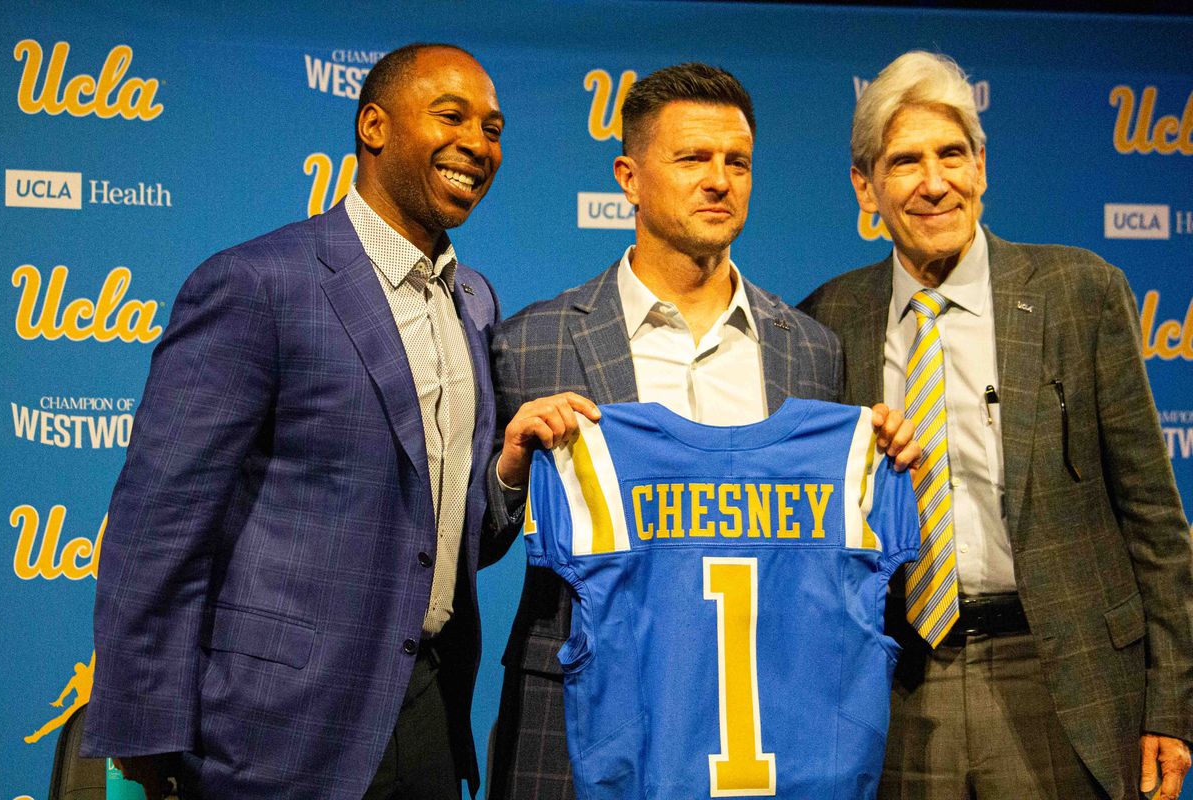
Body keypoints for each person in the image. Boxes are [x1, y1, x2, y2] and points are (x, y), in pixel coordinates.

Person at [484, 62, 919, 800]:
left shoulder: (810, 348)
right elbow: (478, 540)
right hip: (581, 730)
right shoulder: (532, 342)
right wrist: (511, 472)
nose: (719, 179)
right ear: (629, 175)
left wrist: (889, 458)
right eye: (692, 158)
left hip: (769, 737)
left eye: (737, 162)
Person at [82, 43, 505, 800]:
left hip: (430, 716)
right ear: (374, 127)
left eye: (493, 127)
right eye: (452, 115)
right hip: (268, 733)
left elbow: (443, 528)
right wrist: (145, 729)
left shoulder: (472, 300)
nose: (477, 143)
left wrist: (504, 477)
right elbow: (159, 522)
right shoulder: (255, 284)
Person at [800, 50, 1193, 800]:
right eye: (906, 161)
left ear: (982, 166)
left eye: (952, 154)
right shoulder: (828, 319)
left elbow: (1154, 519)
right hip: (899, 682)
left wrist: (1171, 703)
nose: (935, 182)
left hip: (1060, 671)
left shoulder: (1078, 292)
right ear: (866, 185)